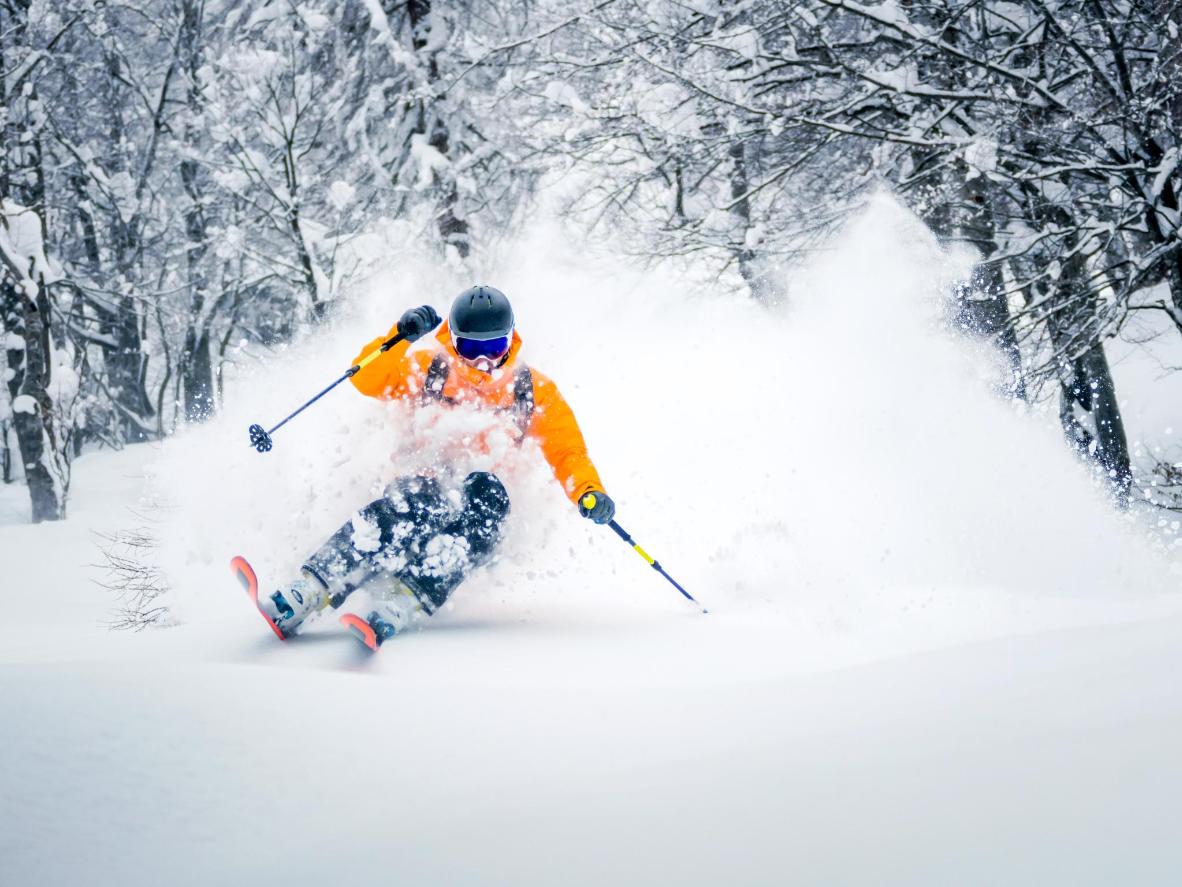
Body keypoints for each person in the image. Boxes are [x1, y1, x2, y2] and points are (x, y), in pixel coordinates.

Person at [256, 285, 616, 647]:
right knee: (418, 500)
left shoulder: (532, 389)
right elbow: (365, 379)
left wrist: (589, 491)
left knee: (488, 495)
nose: (483, 362)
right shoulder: (431, 368)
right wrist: (399, 337)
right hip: (419, 485)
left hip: (480, 513)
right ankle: (311, 589)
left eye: (493, 348)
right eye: (471, 349)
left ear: (512, 340)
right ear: (452, 340)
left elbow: (568, 451)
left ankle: (404, 599)